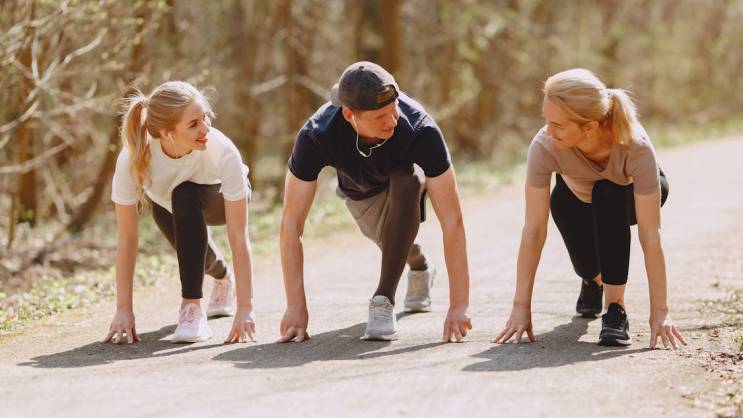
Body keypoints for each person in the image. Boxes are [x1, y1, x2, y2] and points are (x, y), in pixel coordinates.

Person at [278, 61, 472, 342]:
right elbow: (291, 224)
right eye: (380, 116)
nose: (391, 121)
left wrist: (459, 305)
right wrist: (295, 306)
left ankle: (383, 301)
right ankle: (420, 266)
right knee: (396, 246)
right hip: (361, 193)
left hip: (406, 181)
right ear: (349, 114)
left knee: (406, 179)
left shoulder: (420, 129)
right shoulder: (317, 135)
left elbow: (453, 221)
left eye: (394, 109)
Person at [494, 68, 686, 348]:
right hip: (574, 197)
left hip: (628, 196)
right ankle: (593, 281)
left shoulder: (635, 145)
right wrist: (520, 307)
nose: (548, 130)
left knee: (607, 192)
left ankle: (615, 309)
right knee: (586, 265)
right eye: (547, 120)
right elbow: (533, 230)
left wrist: (661, 312)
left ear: (590, 127)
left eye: (558, 125)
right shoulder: (545, 145)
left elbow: (650, 235)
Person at [101, 81, 256, 344]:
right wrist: (123, 310)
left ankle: (191, 309)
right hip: (170, 206)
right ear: (166, 133)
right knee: (190, 245)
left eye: (205, 117)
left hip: (220, 199)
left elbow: (239, 236)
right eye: (193, 124)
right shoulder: (133, 157)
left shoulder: (222, 149)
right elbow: (126, 238)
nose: (205, 128)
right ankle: (222, 277)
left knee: (184, 194)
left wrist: (245, 309)